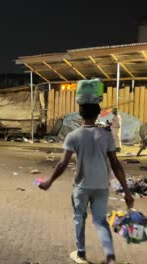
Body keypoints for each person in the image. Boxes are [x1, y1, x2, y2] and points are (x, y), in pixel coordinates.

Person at [38, 103, 134, 264]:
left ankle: (81, 254)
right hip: (102, 185)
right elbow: (116, 165)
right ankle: (110, 257)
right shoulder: (106, 135)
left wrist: (49, 182)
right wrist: (127, 192)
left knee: (79, 218)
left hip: (81, 186)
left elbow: (62, 164)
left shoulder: (74, 135)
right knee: (100, 221)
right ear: (98, 114)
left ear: (80, 115)